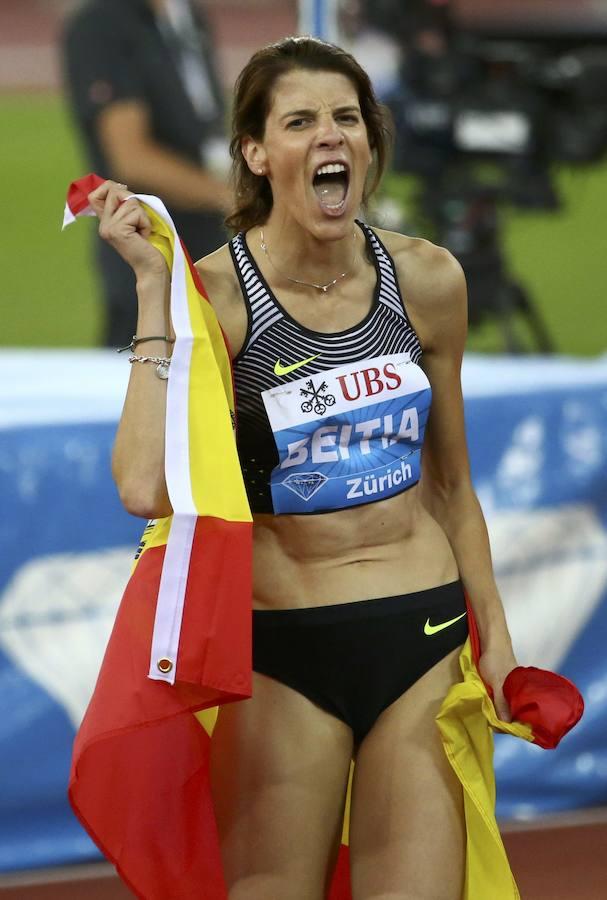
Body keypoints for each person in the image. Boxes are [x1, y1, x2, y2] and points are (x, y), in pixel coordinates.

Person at [86, 35, 519, 900]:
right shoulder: (212, 299)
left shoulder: (426, 279)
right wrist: (151, 298)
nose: (330, 136)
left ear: (368, 142)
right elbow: (144, 487)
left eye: (346, 118)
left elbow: (451, 487)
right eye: (300, 121)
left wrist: (498, 647)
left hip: (421, 637)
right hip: (284, 652)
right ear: (255, 152)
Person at [62, 0, 231, 347]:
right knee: (140, 384)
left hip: (209, 248)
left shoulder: (188, 16)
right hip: (144, 251)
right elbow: (132, 158)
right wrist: (238, 198)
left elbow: (206, 127)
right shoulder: (101, 26)